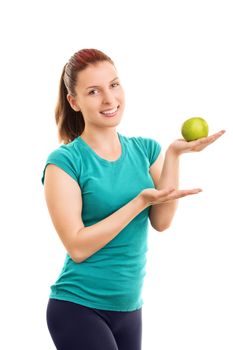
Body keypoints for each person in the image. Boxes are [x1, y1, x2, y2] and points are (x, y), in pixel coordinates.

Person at [41, 48, 225, 350]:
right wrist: (139, 201)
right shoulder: (64, 163)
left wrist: (175, 154)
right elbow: (77, 246)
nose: (109, 99)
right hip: (77, 307)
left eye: (114, 85)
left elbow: (162, 222)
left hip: (129, 310)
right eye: (93, 91)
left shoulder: (145, 151)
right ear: (74, 102)